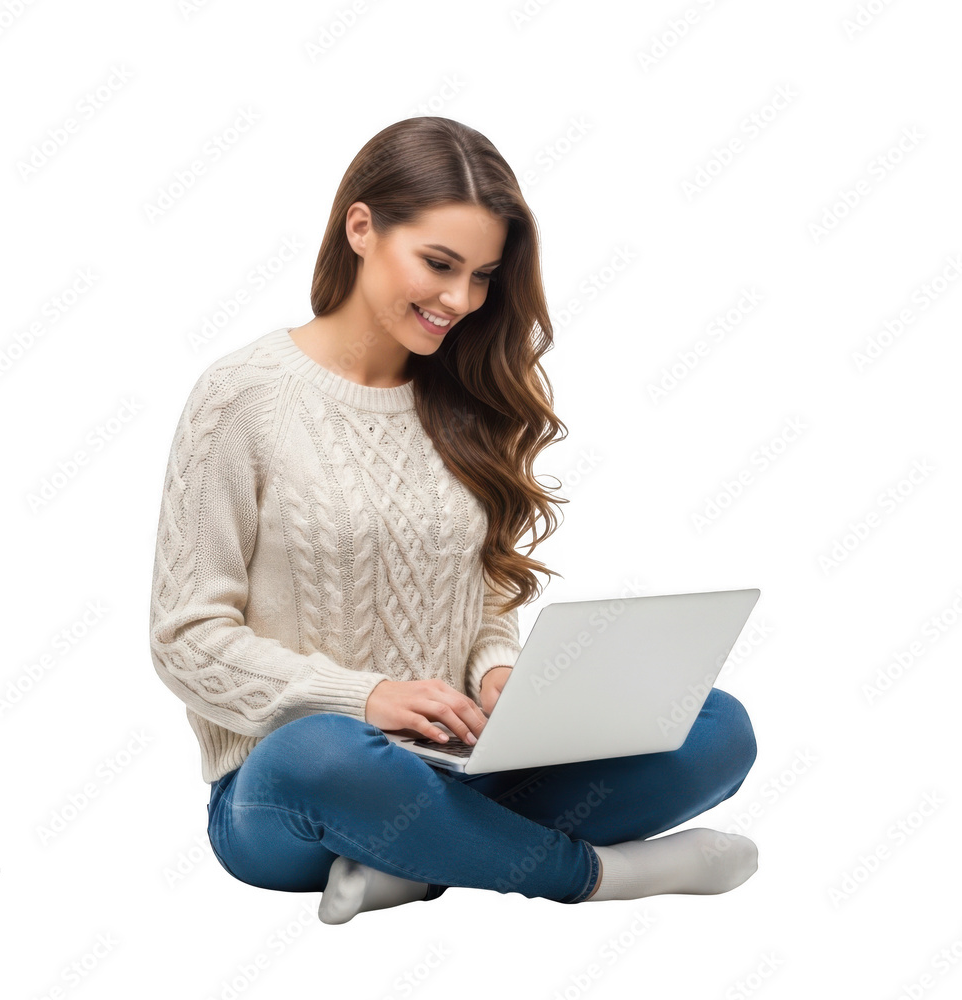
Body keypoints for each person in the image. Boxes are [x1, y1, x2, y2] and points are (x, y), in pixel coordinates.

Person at [148, 116, 759, 925]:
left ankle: (411, 861)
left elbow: (483, 601)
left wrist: (500, 672)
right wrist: (363, 697)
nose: (459, 300)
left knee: (714, 725)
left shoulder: (465, 401)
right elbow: (184, 638)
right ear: (360, 227)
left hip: (468, 767)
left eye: (481, 277)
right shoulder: (242, 398)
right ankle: (598, 875)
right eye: (438, 264)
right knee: (320, 752)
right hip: (289, 787)